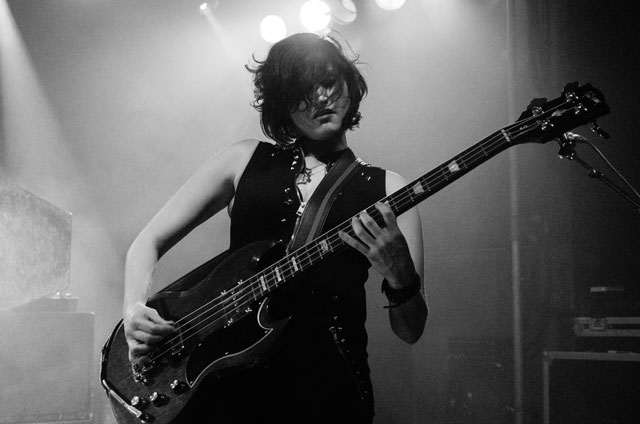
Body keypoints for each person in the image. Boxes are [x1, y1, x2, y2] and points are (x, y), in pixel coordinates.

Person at [122, 32, 428, 424]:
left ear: (350, 85)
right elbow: (147, 241)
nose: (321, 97)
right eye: (302, 90)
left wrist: (402, 279)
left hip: (329, 393)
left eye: (329, 81)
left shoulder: (389, 189)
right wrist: (133, 308)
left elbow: (411, 331)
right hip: (228, 388)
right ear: (282, 103)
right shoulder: (242, 159)